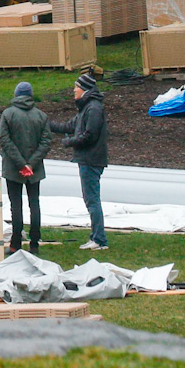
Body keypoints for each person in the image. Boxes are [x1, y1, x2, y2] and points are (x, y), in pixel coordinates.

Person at [51, 72, 109, 250]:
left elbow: (90, 136)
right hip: (87, 159)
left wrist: (69, 142)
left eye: (76, 86)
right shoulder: (87, 108)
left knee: (92, 200)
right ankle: (96, 237)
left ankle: (99, 240)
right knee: (90, 199)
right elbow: (69, 126)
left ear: (84, 89)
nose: (74, 90)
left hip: (91, 160)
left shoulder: (93, 109)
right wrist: (45, 123)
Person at [0, 80, 52, 255]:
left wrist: (20, 164)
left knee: (16, 205)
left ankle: (15, 244)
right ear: (30, 95)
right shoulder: (41, 116)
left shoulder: (8, 114)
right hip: (34, 170)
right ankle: (35, 243)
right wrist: (31, 164)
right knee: (34, 204)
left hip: (13, 169)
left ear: (16, 95)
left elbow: (5, 141)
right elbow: (46, 142)